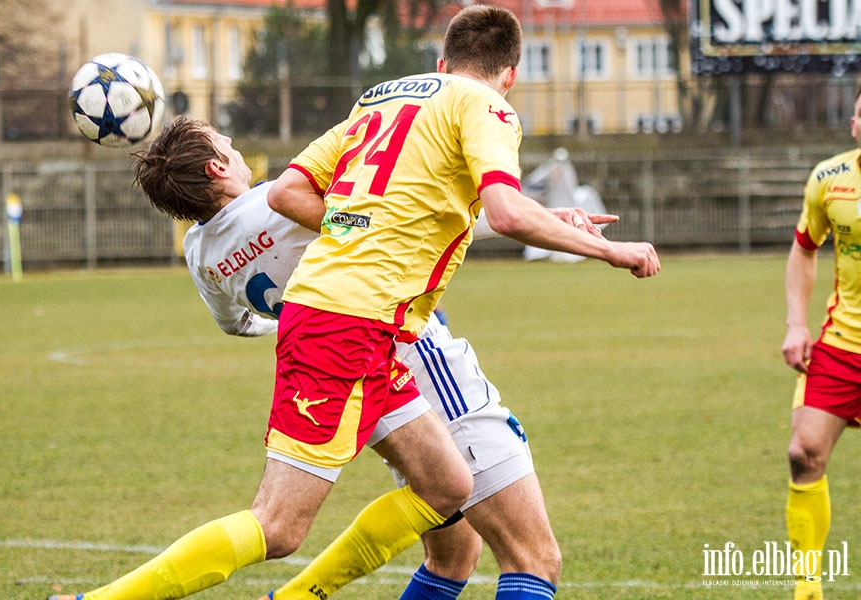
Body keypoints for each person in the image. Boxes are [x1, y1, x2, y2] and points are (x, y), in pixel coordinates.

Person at [264, 5, 659, 600]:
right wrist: (608, 251)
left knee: (455, 550)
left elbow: (308, 194)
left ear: (442, 62)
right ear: (512, 74)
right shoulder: (485, 105)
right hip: (401, 336)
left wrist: (546, 218)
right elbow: (502, 207)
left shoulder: (385, 98)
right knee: (532, 556)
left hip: (342, 318)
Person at [47, 119, 474, 600]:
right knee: (278, 528)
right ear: (217, 166)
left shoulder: (199, 249)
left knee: (448, 485)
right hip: (338, 352)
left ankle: (293, 597)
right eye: (222, 141)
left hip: (359, 351)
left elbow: (232, 322)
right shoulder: (282, 200)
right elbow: (356, 223)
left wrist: (283, 321)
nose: (233, 141)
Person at [782, 87, 861, 600]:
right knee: (803, 452)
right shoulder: (830, 179)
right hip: (840, 343)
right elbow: (804, 250)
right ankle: (807, 590)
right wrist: (796, 323)